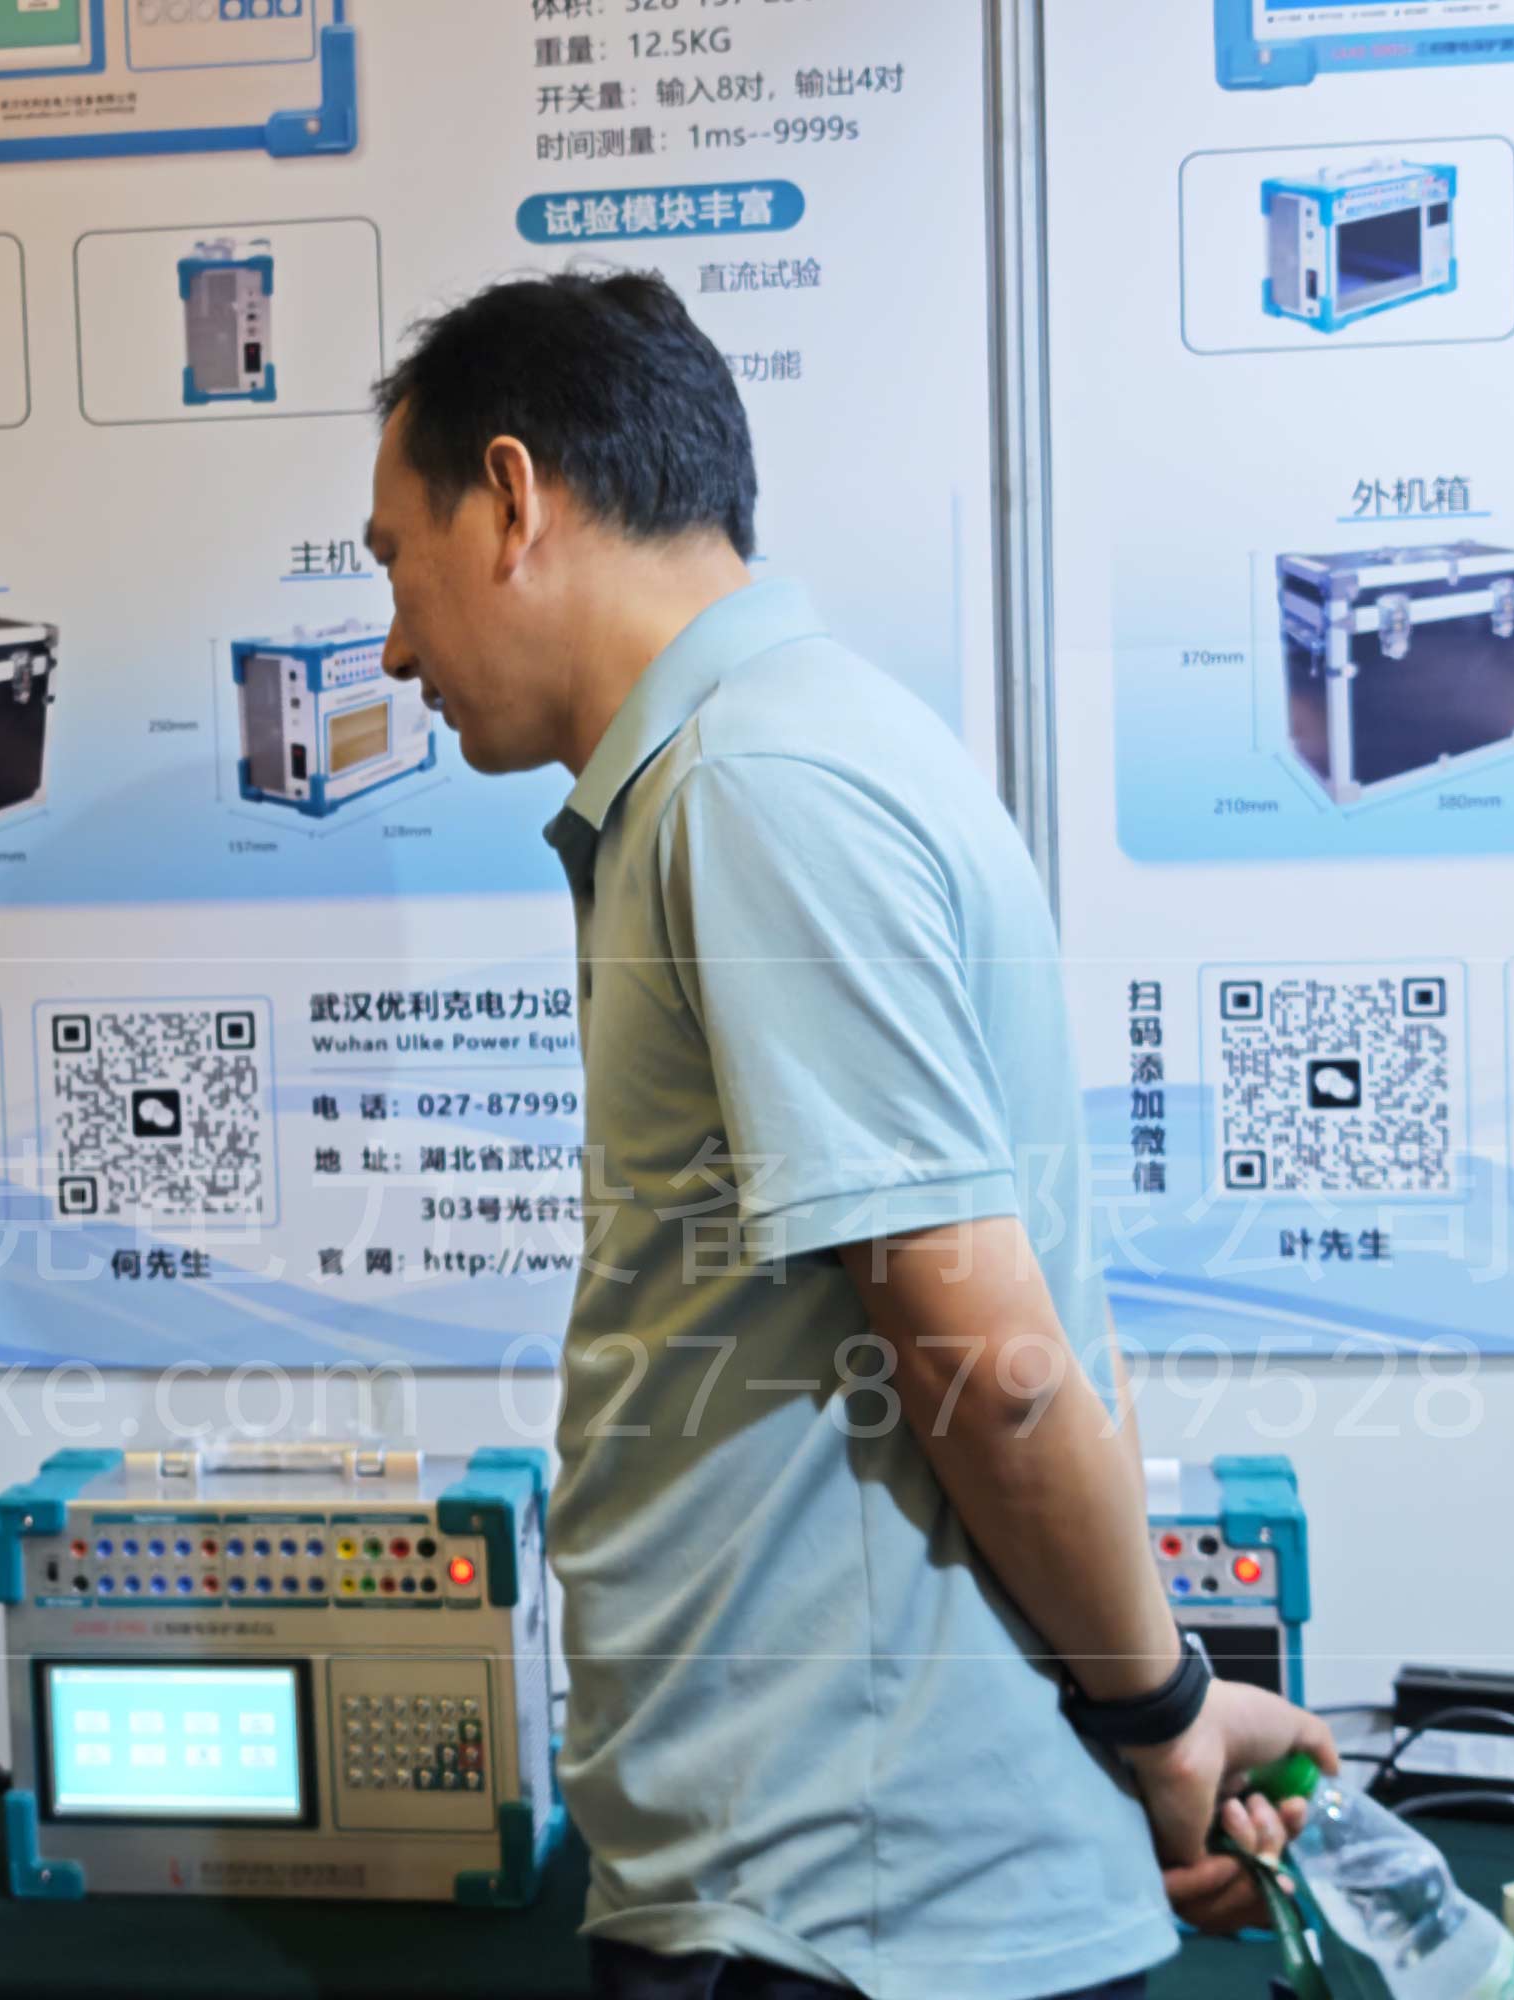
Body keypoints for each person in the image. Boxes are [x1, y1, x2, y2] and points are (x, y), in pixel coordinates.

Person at [361, 271, 1333, 2000]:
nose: (389, 647)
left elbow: (987, 1360)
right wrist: (1155, 1700)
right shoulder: (797, 753)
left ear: (511, 499)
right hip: (838, 1872)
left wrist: (1163, 1706)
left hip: (837, 1899)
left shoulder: (755, 788)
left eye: (391, 561)